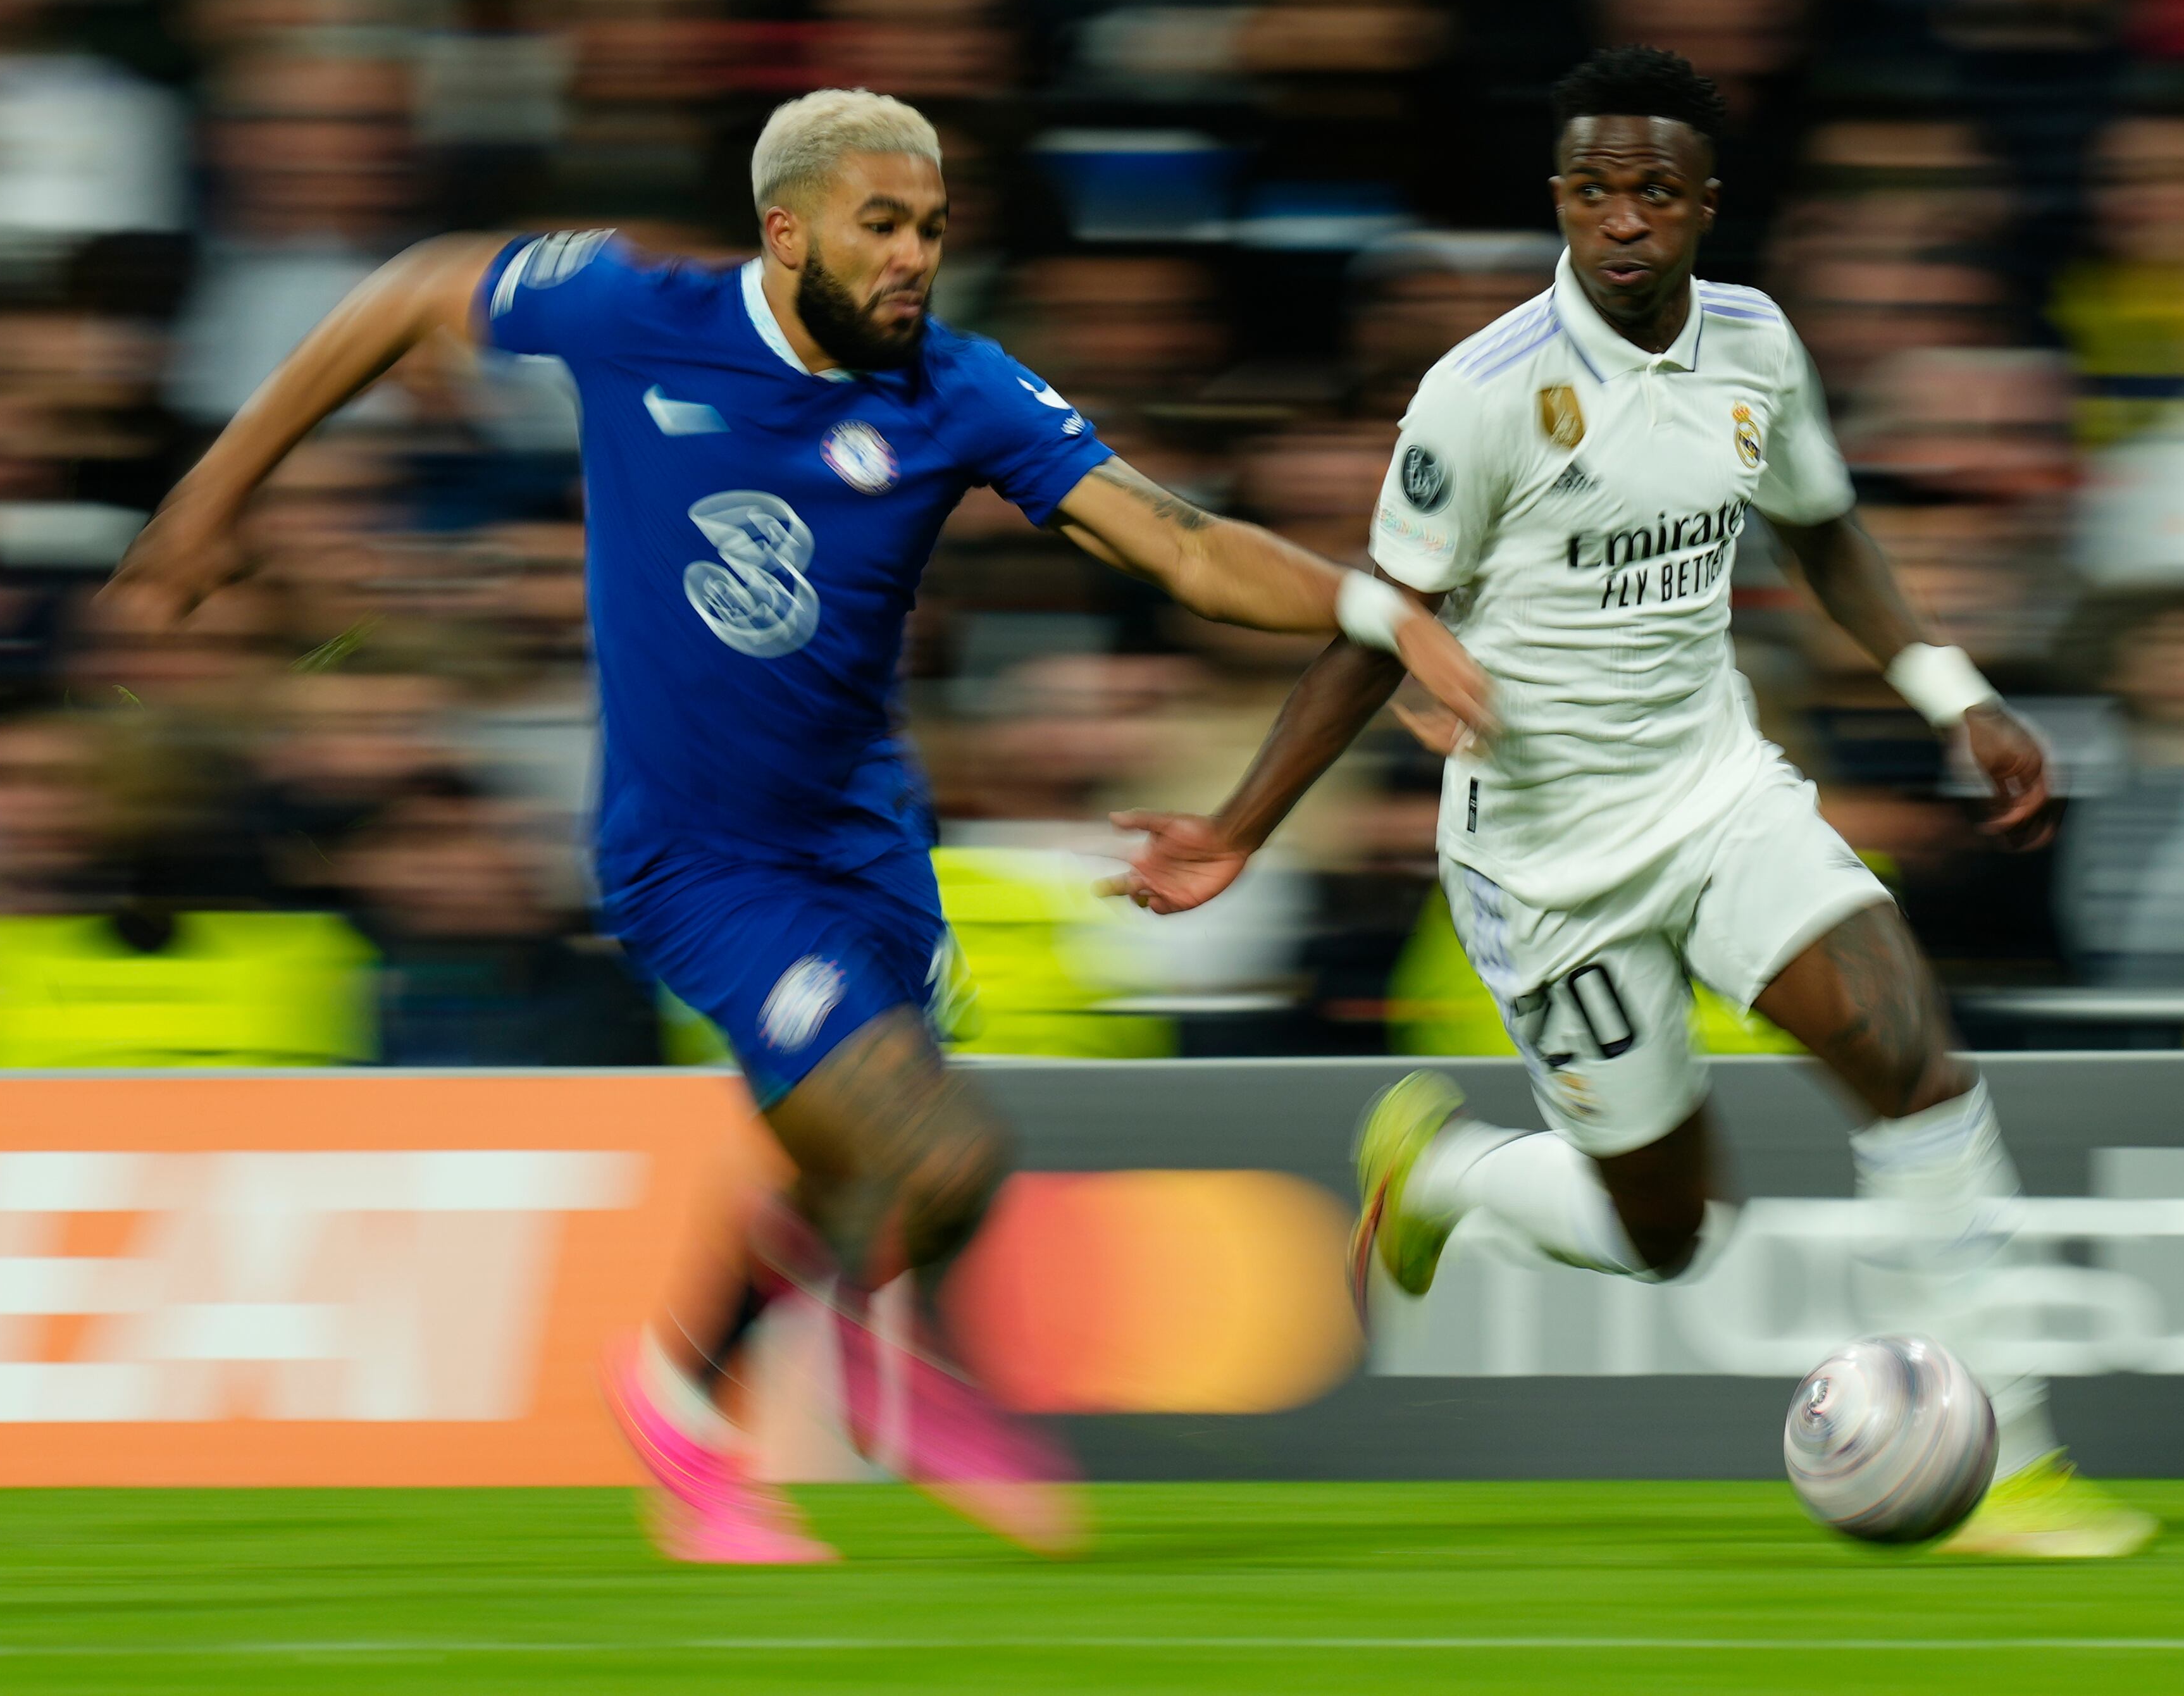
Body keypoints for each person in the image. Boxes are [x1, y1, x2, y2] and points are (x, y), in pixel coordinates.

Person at [106, 87, 1492, 1564]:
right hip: (699, 861)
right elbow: (406, 293)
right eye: (881, 225)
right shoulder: (635, 315)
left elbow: (1178, 539)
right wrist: (208, 500)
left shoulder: (956, 388)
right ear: (787, 230)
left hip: (869, 845)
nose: (914, 257)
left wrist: (1375, 607)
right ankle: (870, 1364)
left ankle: (677, 1399)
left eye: (935, 229)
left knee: (856, 1169)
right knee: (941, 1157)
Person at [1108, 47, 2152, 1557]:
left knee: (1915, 1064)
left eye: (1653, 191)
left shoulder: (1755, 345)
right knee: (1670, 1232)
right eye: (1592, 189)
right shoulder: (1476, 397)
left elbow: (1827, 529)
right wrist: (1236, 825)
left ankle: (2012, 1464)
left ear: (1703, 205)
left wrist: (1955, 693)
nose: (1621, 220)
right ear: (1559, 198)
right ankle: (1449, 1169)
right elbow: (1371, 625)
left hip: (1716, 792)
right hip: (1545, 864)